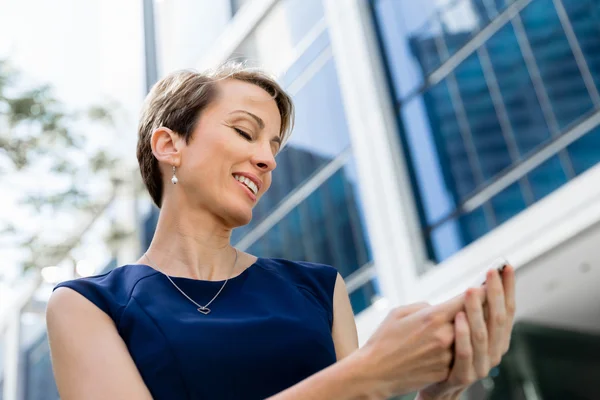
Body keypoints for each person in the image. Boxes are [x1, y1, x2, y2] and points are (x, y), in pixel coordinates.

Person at [46, 62, 516, 400]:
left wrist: (442, 392)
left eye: (273, 145)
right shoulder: (87, 305)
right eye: (245, 132)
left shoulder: (318, 288)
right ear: (170, 144)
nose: (268, 159)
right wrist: (370, 372)